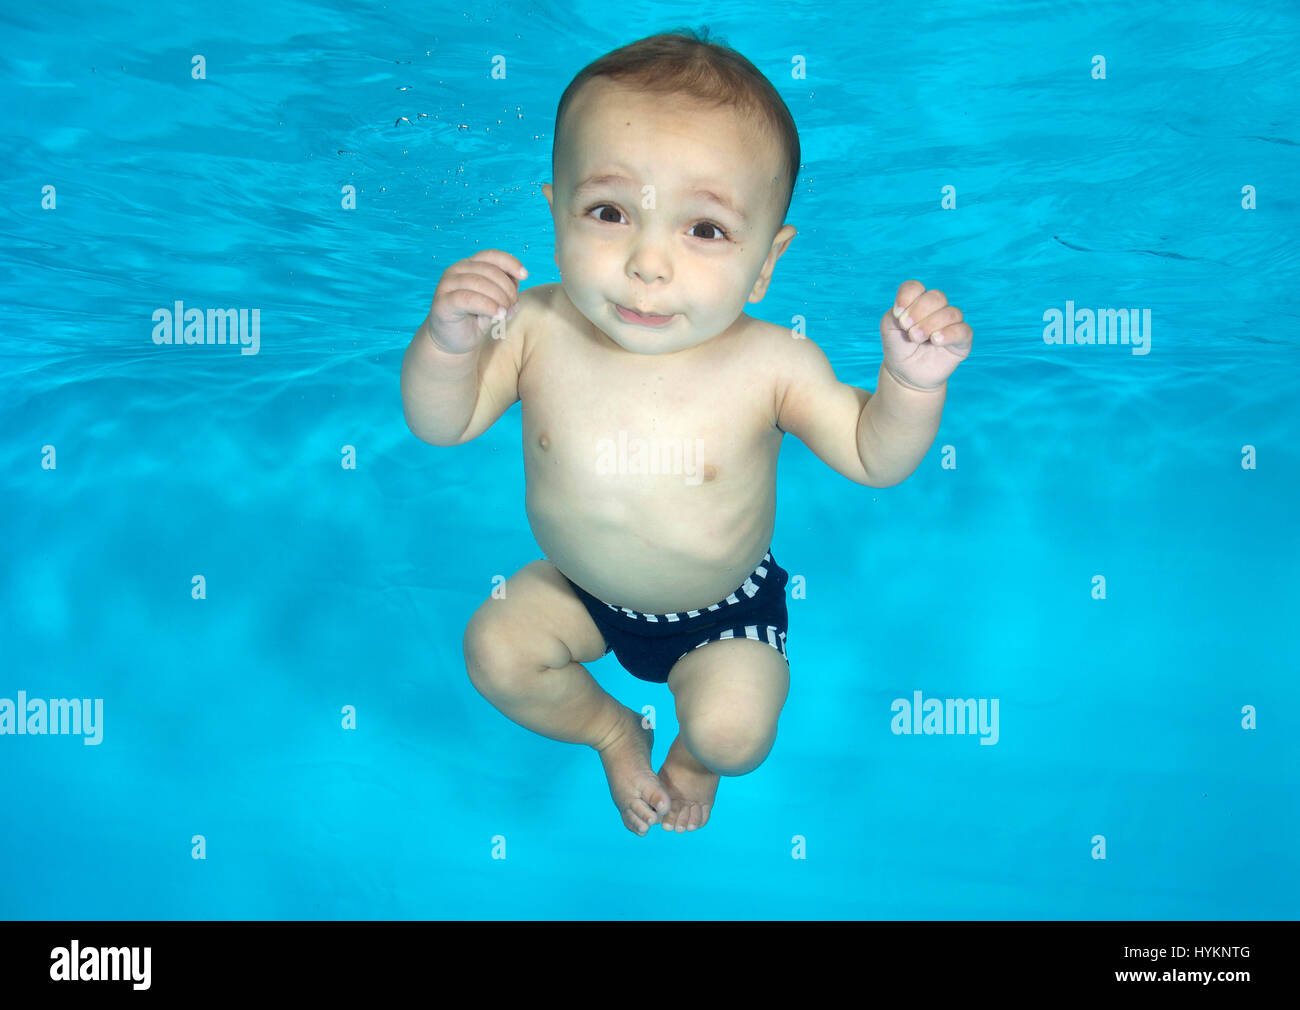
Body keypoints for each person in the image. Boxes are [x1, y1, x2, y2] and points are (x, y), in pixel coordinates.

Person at [400, 28, 973, 836]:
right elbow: (442, 423)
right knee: (495, 650)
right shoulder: (531, 327)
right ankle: (612, 732)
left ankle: (692, 760)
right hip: (581, 592)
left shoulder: (774, 363)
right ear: (554, 211)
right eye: (608, 211)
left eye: (704, 229)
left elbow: (872, 457)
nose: (647, 263)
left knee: (737, 737)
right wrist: (447, 345)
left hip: (721, 612)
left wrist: (911, 387)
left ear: (767, 263)